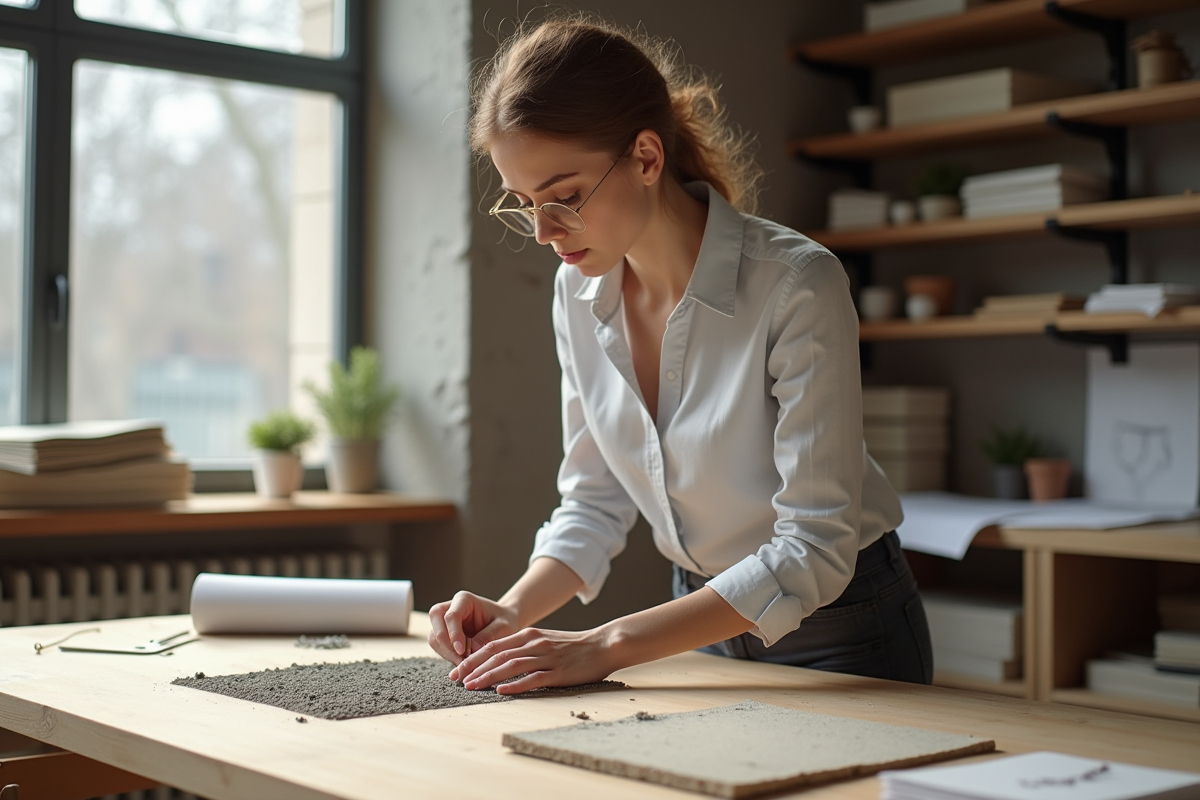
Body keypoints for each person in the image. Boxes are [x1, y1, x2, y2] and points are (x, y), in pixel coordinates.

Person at [428, 14, 932, 694]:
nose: (545, 233)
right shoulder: (577, 291)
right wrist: (512, 612)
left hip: (843, 633)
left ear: (644, 157)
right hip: (702, 630)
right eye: (523, 204)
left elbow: (814, 547)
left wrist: (604, 644)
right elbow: (594, 502)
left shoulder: (795, 284)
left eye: (565, 198)